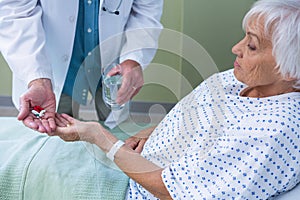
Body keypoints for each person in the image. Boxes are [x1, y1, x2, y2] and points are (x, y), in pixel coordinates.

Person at [50, 0, 300, 199]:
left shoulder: (272, 131)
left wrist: (100, 137)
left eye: (252, 46)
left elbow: (176, 191)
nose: (236, 48)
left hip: (131, 189)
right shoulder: (240, 80)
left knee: (33, 166)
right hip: (130, 164)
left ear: (289, 70)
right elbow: (196, 117)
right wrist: (149, 132)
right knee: (29, 143)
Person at [0, 0, 163, 133]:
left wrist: (134, 58)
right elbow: (15, 12)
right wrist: (38, 78)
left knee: (116, 135)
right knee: (50, 138)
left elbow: (146, 9)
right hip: (52, 67)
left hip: (113, 66)